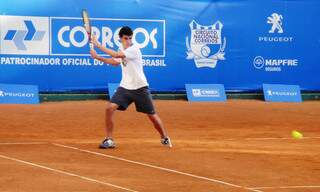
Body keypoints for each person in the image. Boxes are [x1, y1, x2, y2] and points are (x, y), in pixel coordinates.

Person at [90, 26, 172, 149]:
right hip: (125, 87)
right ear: (120, 39)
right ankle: (109, 140)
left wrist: (98, 45)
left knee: (152, 116)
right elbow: (115, 62)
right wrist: (97, 57)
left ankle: (164, 137)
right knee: (109, 109)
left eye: (130, 38)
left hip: (140, 88)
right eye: (125, 38)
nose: (128, 41)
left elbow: (117, 54)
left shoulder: (134, 49)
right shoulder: (122, 48)